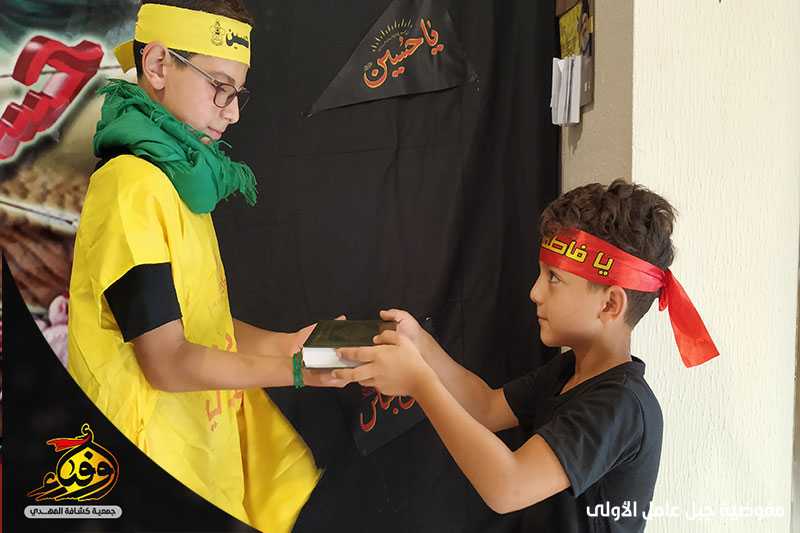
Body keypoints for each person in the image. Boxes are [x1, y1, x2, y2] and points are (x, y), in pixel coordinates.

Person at [66, 2, 344, 531]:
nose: (232, 112)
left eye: (238, 93)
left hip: (202, 458)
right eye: (219, 86)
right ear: (158, 65)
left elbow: (202, 324)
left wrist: (292, 345)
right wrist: (295, 369)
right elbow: (167, 361)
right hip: (153, 465)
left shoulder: (178, 182)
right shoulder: (131, 186)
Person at [335, 180, 719, 532]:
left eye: (554, 278)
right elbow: (485, 407)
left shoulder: (620, 406)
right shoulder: (569, 371)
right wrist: (421, 344)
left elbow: (509, 487)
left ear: (609, 305)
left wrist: (420, 382)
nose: (535, 292)